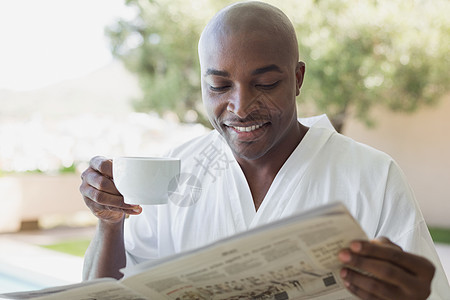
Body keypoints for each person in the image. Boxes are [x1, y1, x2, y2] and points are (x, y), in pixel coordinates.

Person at [79, 1, 449, 299]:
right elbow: (106, 291)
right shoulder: (173, 173)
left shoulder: (373, 175)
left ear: (298, 78)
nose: (240, 107)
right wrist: (110, 223)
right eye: (220, 86)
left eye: (266, 83)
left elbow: (424, 290)